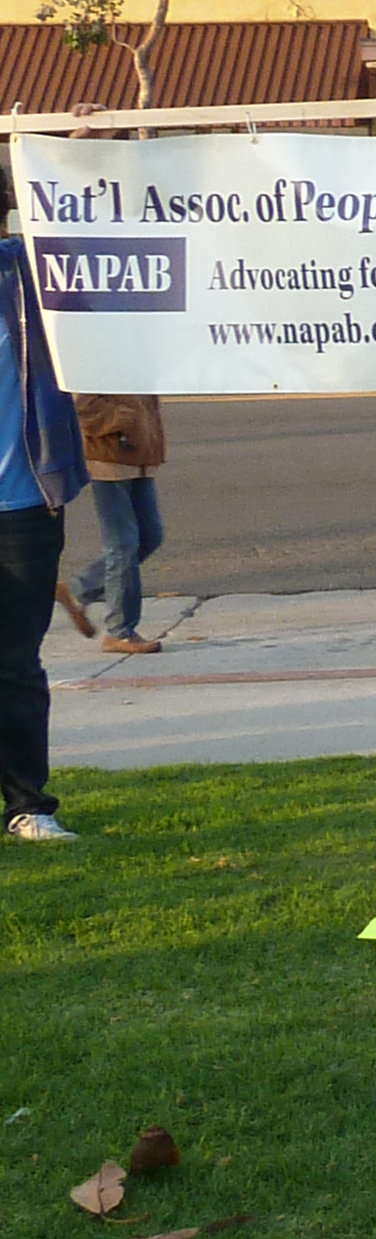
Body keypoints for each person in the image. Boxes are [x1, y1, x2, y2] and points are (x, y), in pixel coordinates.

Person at [0, 236, 92, 843]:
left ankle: (29, 805)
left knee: (13, 662)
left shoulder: (29, 271)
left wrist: (83, 167)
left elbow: (91, 248)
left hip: (25, 505)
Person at [66, 394, 165, 654]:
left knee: (150, 536)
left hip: (139, 453)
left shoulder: (134, 357)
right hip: (108, 455)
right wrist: (128, 420)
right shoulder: (99, 356)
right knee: (123, 544)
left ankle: (79, 589)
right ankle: (119, 632)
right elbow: (83, 403)